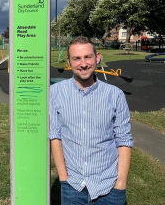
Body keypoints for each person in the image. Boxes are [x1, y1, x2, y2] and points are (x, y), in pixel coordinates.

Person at [49, 36, 133, 204]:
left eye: (88, 56)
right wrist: (63, 177)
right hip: (73, 185)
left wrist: (121, 183)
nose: (83, 64)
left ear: (97, 57)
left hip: (109, 186)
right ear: (69, 61)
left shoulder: (115, 95)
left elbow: (123, 140)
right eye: (77, 58)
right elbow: (55, 136)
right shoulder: (55, 92)